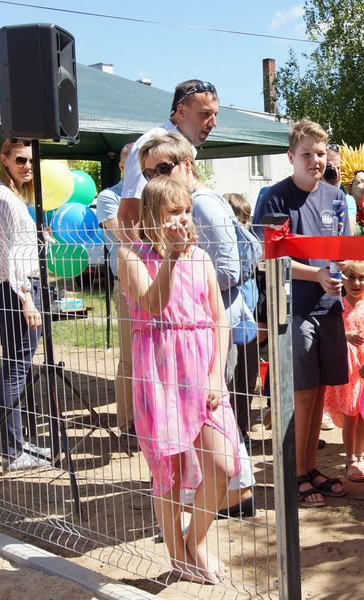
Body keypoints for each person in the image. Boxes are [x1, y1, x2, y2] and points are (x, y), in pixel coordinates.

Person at [118, 176, 239, 584]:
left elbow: (220, 320)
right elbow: (154, 304)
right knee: (167, 473)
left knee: (222, 465)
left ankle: (195, 539)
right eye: (173, 211)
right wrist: (169, 257)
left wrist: (215, 375)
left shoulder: (201, 258)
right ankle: (178, 557)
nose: (183, 219)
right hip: (160, 374)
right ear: (152, 216)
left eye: (186, 210)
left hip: (202, 373)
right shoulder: (130, 255)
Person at [137, 132, 258, 519]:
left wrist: (190, 286)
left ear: (185, 165)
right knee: (189, 441)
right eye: (148, 173)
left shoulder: (200, 207)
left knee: (219, 431)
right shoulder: (157, 229)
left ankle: (231, 499)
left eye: (162, 168)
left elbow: (229, 270)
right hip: (181, 343)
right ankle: (197, 514)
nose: (155, 178)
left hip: (207, 336)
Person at [253, 119, 351, 508]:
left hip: (330, 306)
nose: (315, 161)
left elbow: (341, 249)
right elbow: (270, 257)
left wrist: (343, 272)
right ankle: (294, 474)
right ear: (290, 156)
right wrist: (317, 275)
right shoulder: (275, 198)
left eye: (320, 153)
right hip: (295, 309)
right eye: (306, 154)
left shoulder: (336, 197)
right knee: (303, 396)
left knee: (321, 392)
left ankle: (310, 469)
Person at [0, 139, 52, 472]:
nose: (27, 166)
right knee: (15, 369)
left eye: (31, 161)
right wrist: (26, 298)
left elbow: (16, 246)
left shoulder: (9, 197)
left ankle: (18, 444)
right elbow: (7, 252)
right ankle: (12, 451)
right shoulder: (2, 198)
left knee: (17, 367)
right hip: (14, 289)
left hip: (16, 286)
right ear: (4, 160)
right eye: (21, 160)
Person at [117, 79, 219, 240]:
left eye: (215, 114)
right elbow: (128, 215)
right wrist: (145, 254)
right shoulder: (154, 145)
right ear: (181, 110)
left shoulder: (183, 145)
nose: (213, 123)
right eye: (205, 114)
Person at [323, 260, 364, 483]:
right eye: (350, 277)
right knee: (350, 413)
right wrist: (345, 336)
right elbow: (329, 332)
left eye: (361, 278)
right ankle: (350, 459)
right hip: (346, 364)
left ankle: (360, 454)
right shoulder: (335, 304)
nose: (356, 283)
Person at [95, 142, 139, 448]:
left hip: (159, 281)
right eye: (133, 163)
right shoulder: (109, 197)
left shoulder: (153, 193)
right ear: (122, 167)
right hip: (126, 284)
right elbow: (124, 235)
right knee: (130, 359)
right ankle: (129, 424)